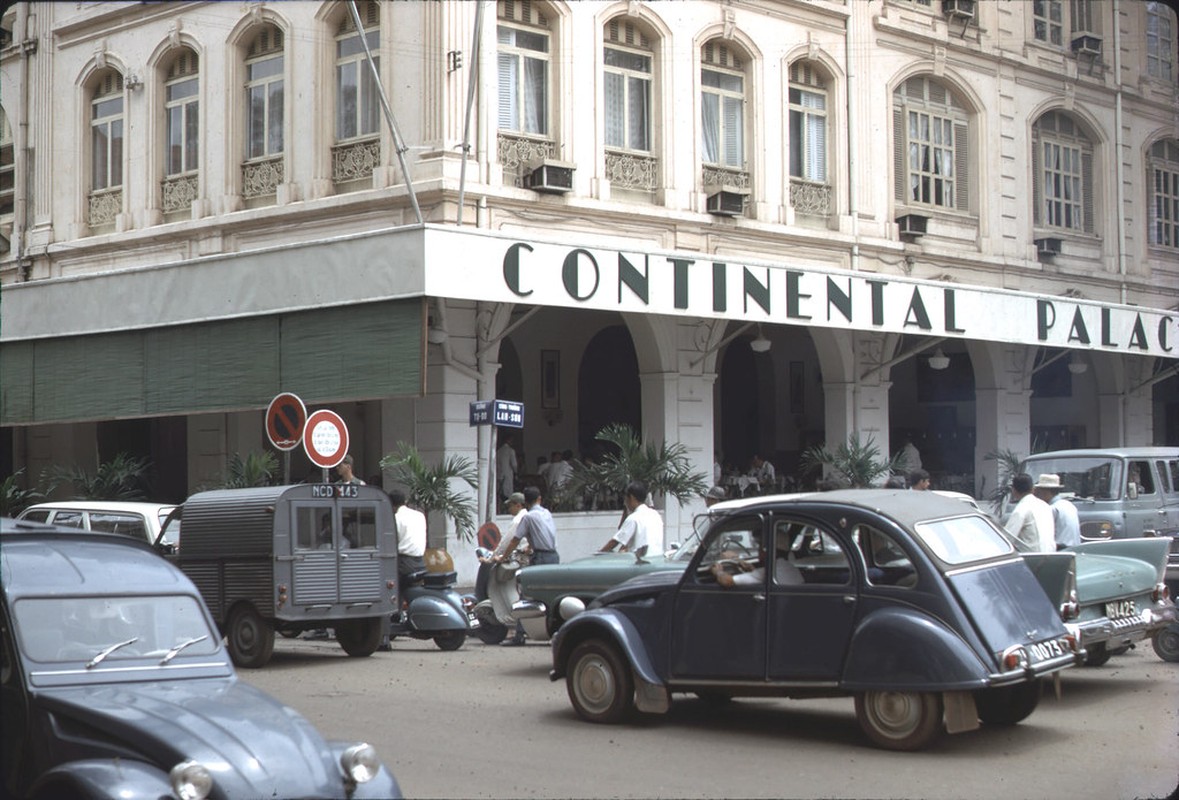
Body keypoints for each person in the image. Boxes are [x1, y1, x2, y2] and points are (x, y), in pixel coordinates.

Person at [494, 486, 559, 645]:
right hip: (552, 556)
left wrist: (503, 556)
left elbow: (513, 540)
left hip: (540, 557)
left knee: (526, 595)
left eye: (511, 505)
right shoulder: (546, 513)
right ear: (539, 499)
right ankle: (554, 632)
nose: (510, 508)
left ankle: (519, 635)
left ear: (522, 504)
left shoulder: (527, 518)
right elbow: (543, 534)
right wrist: (529, 547)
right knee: (550, 596)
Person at [711, 529, 803, 587]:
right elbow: (761, 577)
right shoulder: (789, 567)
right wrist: (746, 565)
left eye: (761, 547)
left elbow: (727, 581)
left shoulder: (770, 571)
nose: (759, 550)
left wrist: (718, 572)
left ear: (768, 550)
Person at [600, 481, 664, 559]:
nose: (625, 502)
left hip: (639, 563)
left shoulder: (633, 518)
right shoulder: (656, 515)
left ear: (632, 497)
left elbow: (615, 541)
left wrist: (599, 554)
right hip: (657, 560)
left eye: (626, 498)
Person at [1004, 472, 1055, 552]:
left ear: (1013, 490)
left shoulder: (1021, 509)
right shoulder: (1046, 506)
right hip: (1052, 555)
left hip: (1032, 558)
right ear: (1033, 489)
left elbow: (1006, 539)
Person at [1032, 473, 1081, 550]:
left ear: (1045, 492)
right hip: (1076, 548)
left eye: (1039, 492)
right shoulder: (1069, 505)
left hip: (1060, 549)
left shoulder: (1051, 509)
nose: (1038, 496)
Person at [388, 490, 426, 580]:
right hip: (420, 562)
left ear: (390, 505)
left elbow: (390, 541)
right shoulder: (420, 515)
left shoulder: (396, 518)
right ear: (405, 502)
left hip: (403, 564)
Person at [496, 433, 518, 501]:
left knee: (499, 493)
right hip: (508, 475)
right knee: (508, 495)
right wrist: (516, 473)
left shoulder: (498, 451)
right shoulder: (511, 451)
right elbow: (514, 465)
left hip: (499, 475)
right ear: (508, 440)